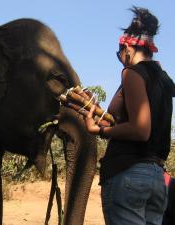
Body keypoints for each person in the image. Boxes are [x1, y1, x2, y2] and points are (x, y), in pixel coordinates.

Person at [85, 6, 175, 225]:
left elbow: (140, 129)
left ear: (127, 48)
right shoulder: (163, 79)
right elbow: (126, 116)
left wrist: (100, 130)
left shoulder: (132, 73)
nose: (121, 59)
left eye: (120, 54)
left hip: (128, 173)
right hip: (156, 179)